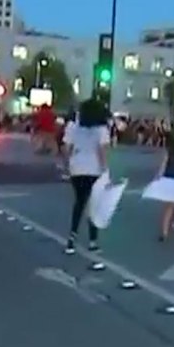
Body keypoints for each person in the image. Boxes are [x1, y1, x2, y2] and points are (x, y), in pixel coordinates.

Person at [62, 99, 110, 255]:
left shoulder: (72, 126)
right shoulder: (101, 129)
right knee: (93, 206)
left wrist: (67, 164)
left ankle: (71, 238)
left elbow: (66, 148)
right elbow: (102, 151)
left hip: (77, 167)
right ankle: (93, 241)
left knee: (79, 202)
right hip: (94, 168)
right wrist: (105, 170)